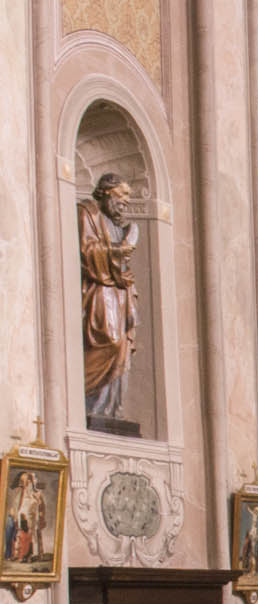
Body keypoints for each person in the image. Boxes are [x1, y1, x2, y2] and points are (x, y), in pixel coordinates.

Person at [79, 174, 140, 420]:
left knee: (123, 346)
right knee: (110, 340)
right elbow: (87, 251)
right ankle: (90, 403)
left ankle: (110, 409)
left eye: (128, 196)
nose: (126, 201)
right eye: (122, 194)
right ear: (106, 192)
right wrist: (118, 251)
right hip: (100, 290)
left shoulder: (119, 225)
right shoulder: (88, 213)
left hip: (120, 291)